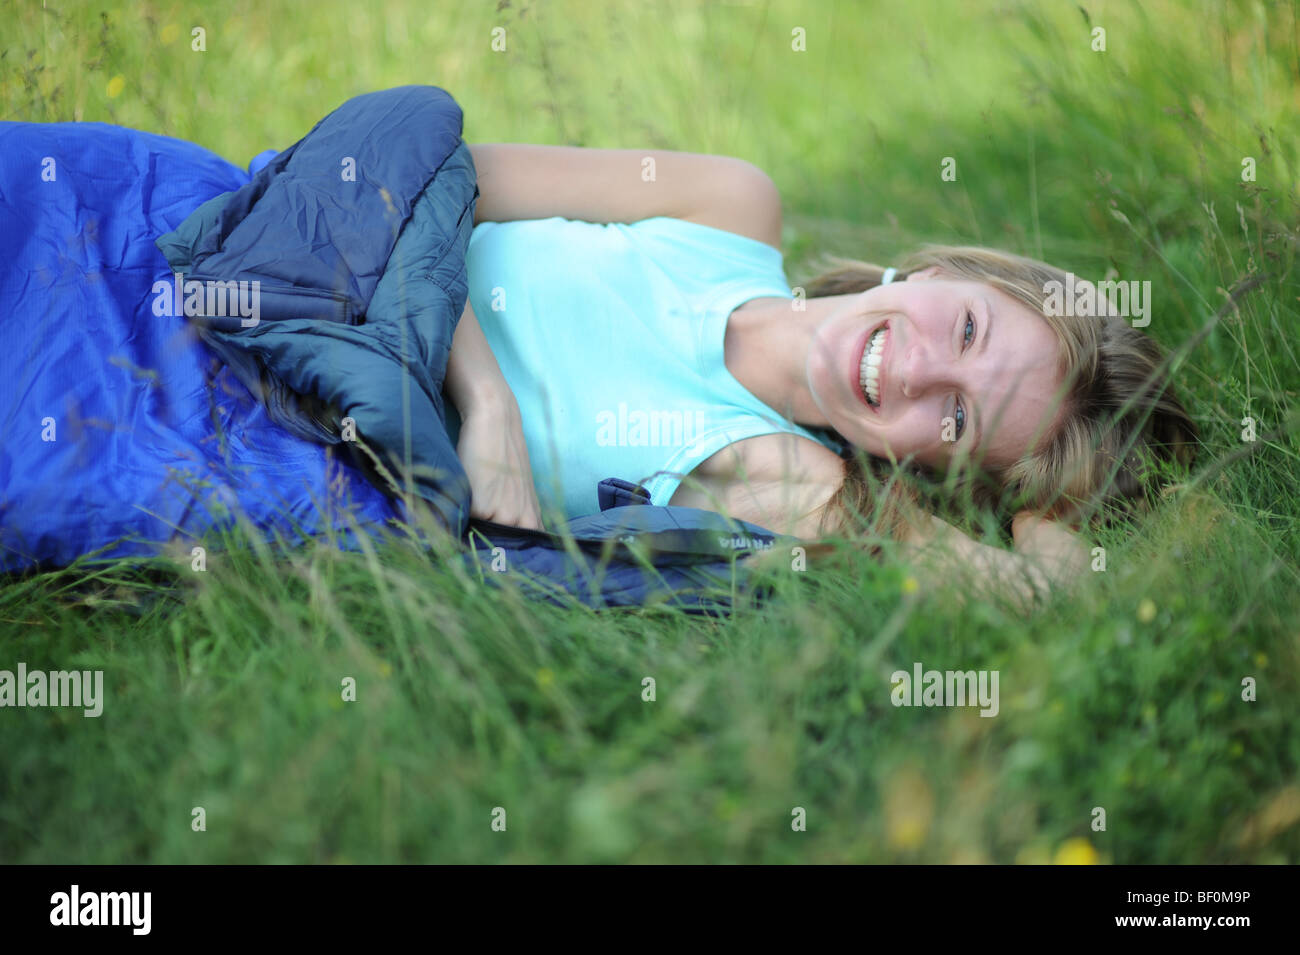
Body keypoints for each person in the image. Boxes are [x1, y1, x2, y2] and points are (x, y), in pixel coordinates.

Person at [445, 144, 1198, 605]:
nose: (919, 368)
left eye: (958, 417)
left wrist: (1050, 513)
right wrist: (486, 397)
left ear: (929, 467)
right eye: (968, 327)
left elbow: (1046, 594)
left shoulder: (794, 481)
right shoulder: (728, 208)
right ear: (942, 271)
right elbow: (442, 175)